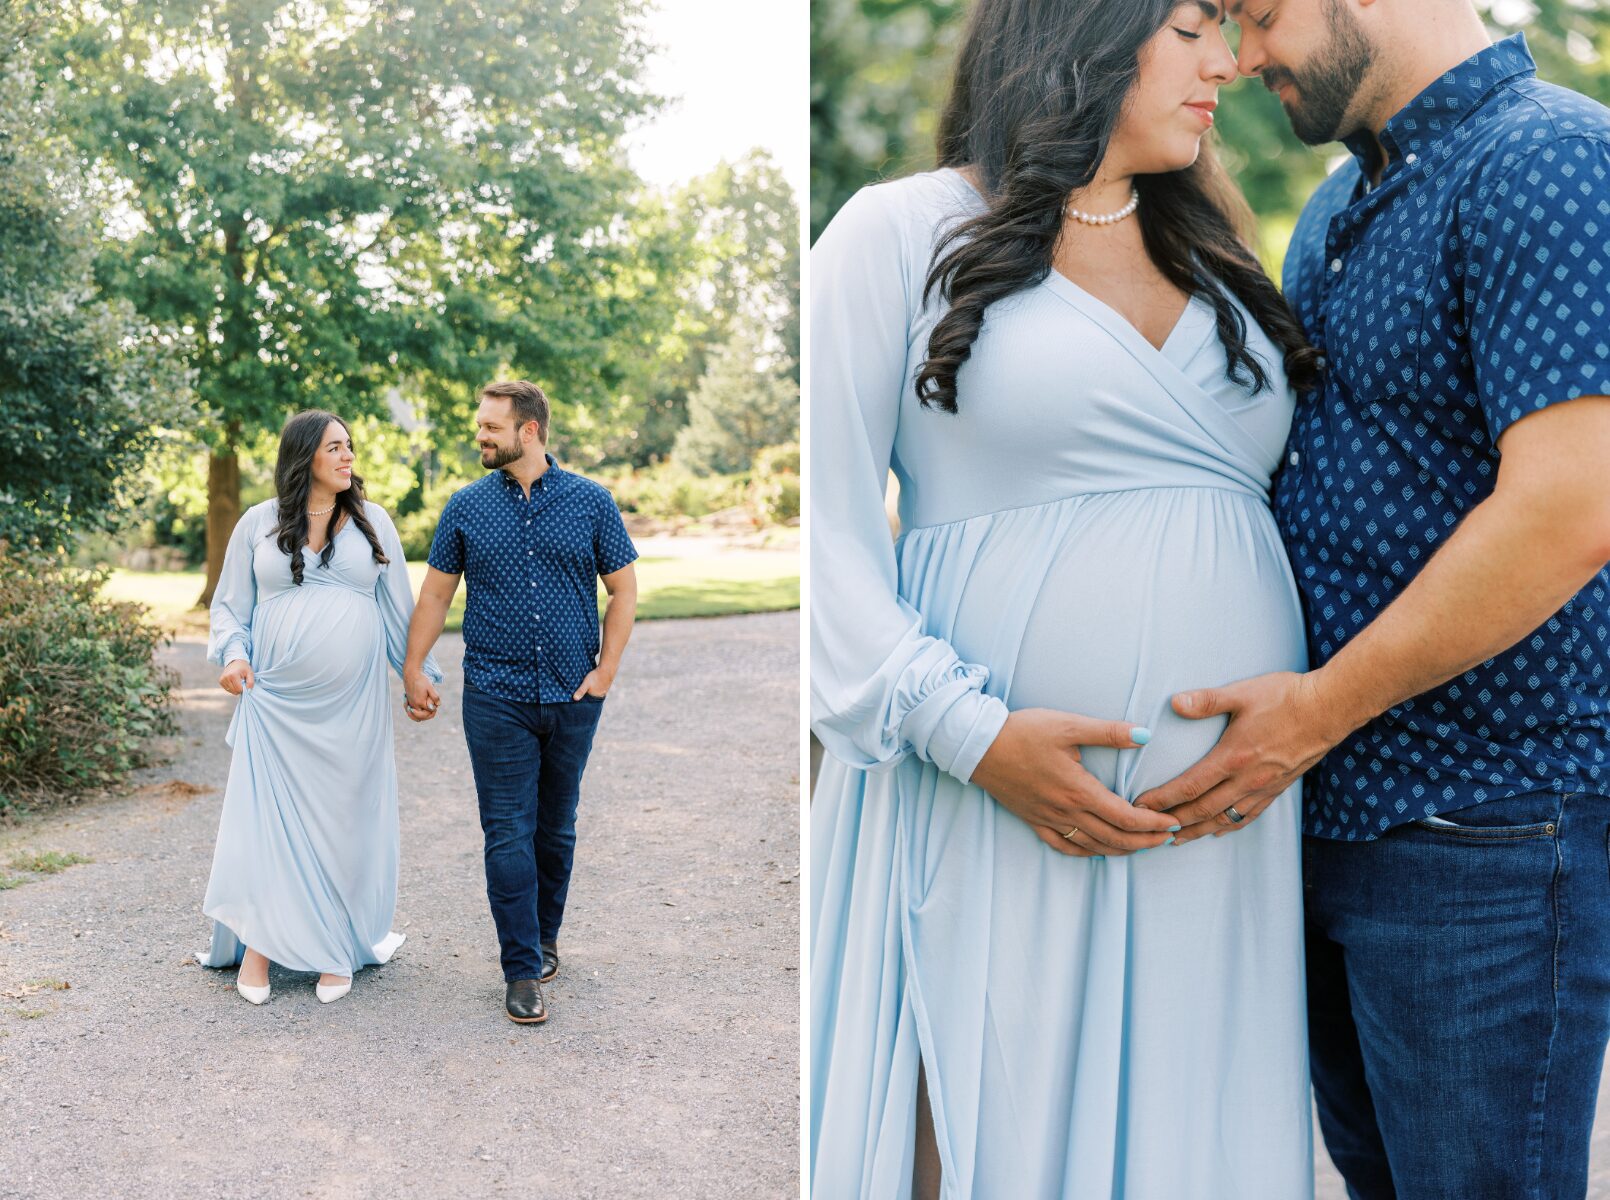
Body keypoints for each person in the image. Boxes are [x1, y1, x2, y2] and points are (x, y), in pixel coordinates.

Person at [809, 2, 1326, 1195]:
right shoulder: (897, 232)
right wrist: (969, 734)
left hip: (1220, 830)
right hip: (988, 792)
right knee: (977, 1114)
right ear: (1082, 26)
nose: (1229, 62)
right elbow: (829, 544)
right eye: (1193, 26)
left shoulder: (1225, 265)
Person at [1130, 4, 1610, 1196]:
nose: (1238, 58)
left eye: (1256, 14)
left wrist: (1313, 710)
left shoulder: (1545, 158)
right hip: (1336, 813)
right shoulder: (1341, 206)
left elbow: (1568, 505)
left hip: (1483, 828)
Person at [403, 380, 638, 1026]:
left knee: (556, 828)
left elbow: (622, 590)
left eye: (490, 427)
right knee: (507, 829)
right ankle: (521, 969)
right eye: (480, 425)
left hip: (572, 694)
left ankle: (546, 936)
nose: (480, 436)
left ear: (528, 430)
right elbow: (434, 597)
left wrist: (606, 671)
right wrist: (413, 665)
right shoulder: (465, 508)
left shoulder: (591, 503)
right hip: (494, 697)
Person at [199, 410, 443, 1005]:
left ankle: (334, 944)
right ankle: (258, 946)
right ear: (305, 453)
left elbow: (398, 613)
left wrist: (417, 676)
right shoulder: (257, 522)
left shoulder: (373, 521)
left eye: (350, 446)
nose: (348, 456)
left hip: (350, 705)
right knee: (269, 822)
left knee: (342, 816)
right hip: (275, 700)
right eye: (335, 446)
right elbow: (231, 605)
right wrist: (233, 657)